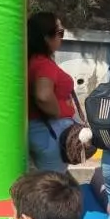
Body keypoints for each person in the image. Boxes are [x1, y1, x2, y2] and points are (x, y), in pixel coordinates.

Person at [27, 12, 75, 172]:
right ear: (46, 37)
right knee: (53, 182)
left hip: (38, 130)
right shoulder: (43, 64)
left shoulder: (30, 60)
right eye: (60, 33)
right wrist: (58, 111)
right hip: (49, 132)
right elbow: (43, 96)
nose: (61, 38)